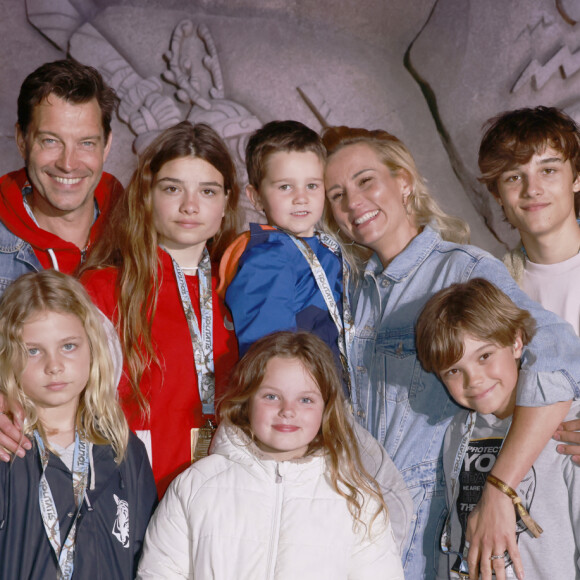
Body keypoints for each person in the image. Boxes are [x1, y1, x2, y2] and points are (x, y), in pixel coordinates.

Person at [322, 126, 580, 580]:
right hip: (365, 532)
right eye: (336, 193)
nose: (353, 202)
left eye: (366, 181)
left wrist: (499, 489)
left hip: (432, 533)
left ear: (403, 181)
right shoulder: (352, 290)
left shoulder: (463, 268)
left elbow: (556, 352)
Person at [137, 331, 405, 580]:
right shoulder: (196, 486)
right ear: (246, 400)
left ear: (326, 408)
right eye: (271, 396)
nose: (288, 410)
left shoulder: (356, 499)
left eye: (305, 400)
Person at [79, 121, 239, 496]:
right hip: (133, 496)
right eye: (172, 188)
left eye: (208, 190)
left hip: (229, 500)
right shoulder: (102, 289)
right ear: (147, 195)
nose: (190, 205)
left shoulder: (243, 288)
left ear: (226, 202)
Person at [0, 58, 123, 461]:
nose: (69, 163)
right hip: (19, 478)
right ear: (21, 139)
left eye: (86, 143)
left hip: (125, 477)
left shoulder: (141, 238)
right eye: (50, 140)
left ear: (107, 144)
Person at [416, 278, 580, 579]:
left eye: (484, 356)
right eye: (454, 370)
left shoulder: (570, 426)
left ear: (516, 342)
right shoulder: (455, 431)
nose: (474, 380)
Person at [0, 270, 157, 580]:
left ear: (92, 348)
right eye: (33, 351)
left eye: (68, 346)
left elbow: (148, 559)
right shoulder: (6, 448)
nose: (54, 365)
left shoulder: (125, 450)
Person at [218, 120, 348, 373]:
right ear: (256, 197)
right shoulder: (266, 258)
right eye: (285, 187)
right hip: (301, 398)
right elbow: (270, 354)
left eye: (312, 185)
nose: (301, 197)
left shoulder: (327, 247)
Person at [478, 106, 580, 335]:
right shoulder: (495, 296)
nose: (532, 190)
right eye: (514, 177)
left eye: (548, 170)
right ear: (498, 195)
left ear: (576, 179)